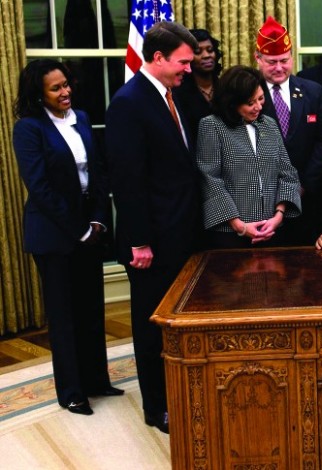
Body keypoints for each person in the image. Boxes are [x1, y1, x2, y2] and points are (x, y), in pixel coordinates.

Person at [105, 21, 201, 434]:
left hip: (180, 233)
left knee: (176, 321)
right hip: (152, 243)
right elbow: (128, 178)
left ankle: (179, 393)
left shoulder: (171, 96)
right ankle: (157, 407)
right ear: (158, 58)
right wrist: (140, 241)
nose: (188, 70)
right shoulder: (129, 102)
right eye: (183, 62)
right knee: (151, 326)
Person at [12, 59, 122, 416]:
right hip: (55, 236)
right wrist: (79, 229)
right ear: (38, 94)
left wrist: (99, 221)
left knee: (91, 309)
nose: (66, 92)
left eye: (66, 84)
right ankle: (72, 391)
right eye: (56, 88)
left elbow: (98, 170)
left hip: (90, 229)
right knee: (64, 315)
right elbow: (40, 188)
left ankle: (97, 380)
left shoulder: (83, 118)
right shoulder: (28, 129)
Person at [196, 65, 301, 248]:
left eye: (261, 99)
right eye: (250, 103)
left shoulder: (268, 124)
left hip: (272, 230)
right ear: (232, 102)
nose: (258, 107)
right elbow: (210, 179)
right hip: (230, 234)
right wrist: (239, 226)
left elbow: (287, 173)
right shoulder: (212, 126)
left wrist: (278, 215)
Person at [254, 16, 322, 245]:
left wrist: (304, 185)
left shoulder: (313, 91)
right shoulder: (247, 94)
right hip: (262, 201)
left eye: (284, 60)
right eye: (271, 62)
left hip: (308, 197)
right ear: (257, 58)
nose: (279, 68)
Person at [173, 28, 223, 144]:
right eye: (198, 52)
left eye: (210, 50)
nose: (206, 56)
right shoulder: (178, 94)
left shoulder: (226, 87)